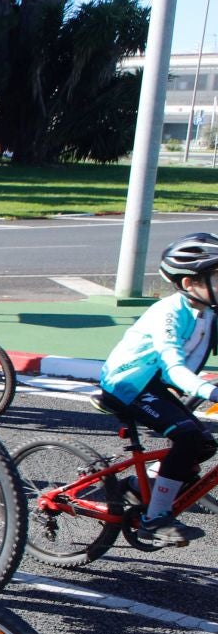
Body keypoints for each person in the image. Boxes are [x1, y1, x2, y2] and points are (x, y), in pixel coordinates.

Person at [97, 232, 218, 547]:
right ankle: (154, 520)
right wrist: (213, 393)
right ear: (189, 283)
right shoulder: (169, 313)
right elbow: (175, 368)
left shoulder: (208, 311)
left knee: (204, 446)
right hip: (128, 383)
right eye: (216, 277)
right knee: (187, 437)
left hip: (155, 382)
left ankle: (139, 486)